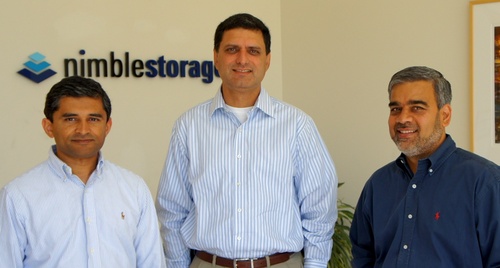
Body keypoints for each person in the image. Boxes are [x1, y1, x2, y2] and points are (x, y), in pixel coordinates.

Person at [156, 13, 338, 268]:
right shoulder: (189, 126)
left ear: (267, 60)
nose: (242, 59)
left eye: (253, 51)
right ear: (216, 57)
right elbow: (172, 210)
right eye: (232, 49)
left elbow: (319, 212)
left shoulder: (298, 126)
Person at [0, 76, 166, 268]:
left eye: (93, 119)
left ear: (108, 126)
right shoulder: (17, 196)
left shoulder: (134, 188)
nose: (83, 130)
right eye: (71, 119)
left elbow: (152, 263)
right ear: (48, 127)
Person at [349, 66, 500, 267]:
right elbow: (362, 256)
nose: (403, 118)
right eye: (395, 109)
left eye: (417, 108)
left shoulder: (484, 181)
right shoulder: (378, 184)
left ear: (444, 115)